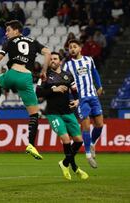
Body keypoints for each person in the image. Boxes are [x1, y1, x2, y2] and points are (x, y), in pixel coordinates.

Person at [0, 20, 51, 160]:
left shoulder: (10, 41)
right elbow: (47, 52)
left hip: (13, 74)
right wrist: (44, 71)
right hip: (26, 79)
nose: (6, 33)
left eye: (8, 30)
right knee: (34, 115)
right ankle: (31, 145)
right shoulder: (33, 41)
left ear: (16, 31)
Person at [36, 52, 89, 180]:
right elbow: (38, 92)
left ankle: (65, 163)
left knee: (79, 140)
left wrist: (77, 100)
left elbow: (75, 91)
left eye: (55, 59)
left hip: (68, 112)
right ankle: (74, 167)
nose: (53, 61)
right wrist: (53, 89)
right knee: (66, 139)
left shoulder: (68, 75)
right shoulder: (44, 76)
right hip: (53, 113)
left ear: (60, 61)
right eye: (51, 59)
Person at [63, 39, 104, 168]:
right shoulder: (67, 65)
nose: (72, 49)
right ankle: (88, 155)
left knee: (99, 124)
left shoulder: (89, 60)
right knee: (86, 127)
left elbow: (94, 73)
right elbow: (66, 83)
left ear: (80, 48)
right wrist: (71, 98)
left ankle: (92, 143)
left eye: (75, 46)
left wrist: (100, 86)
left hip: (93, 96)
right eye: (70, 48)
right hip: (80, 99)